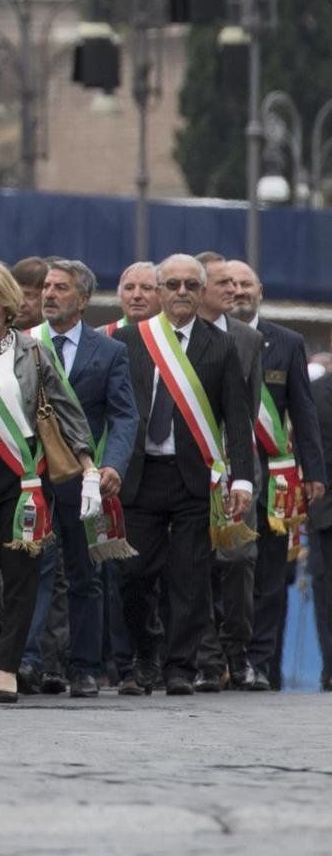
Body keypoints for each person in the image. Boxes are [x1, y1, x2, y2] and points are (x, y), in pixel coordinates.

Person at [115, 255, 258, 698]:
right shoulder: (129, 340)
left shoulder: (222, 345)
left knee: (190, 576)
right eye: (172, 284)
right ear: (158, 291)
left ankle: (180, 666)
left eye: (190, 285)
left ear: (201, 292)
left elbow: (237, 417)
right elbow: (116, 411)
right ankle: (145, 655)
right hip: (141, 474)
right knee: (132, 574)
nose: (181, 292)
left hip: (196, 478)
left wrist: (242, 480)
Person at [0, 259, 89, 703]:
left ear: (9, 307)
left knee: (22, 573)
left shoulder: (32, 351)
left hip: (25, 475)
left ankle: (7, 665)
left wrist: (88, 464)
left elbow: (66, 409)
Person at [28, 258, 137, 697]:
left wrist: (113, 464)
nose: (49, 293)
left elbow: (124, 414)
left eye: (61, 287)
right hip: (31, 476)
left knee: (85, 573)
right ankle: (33, 660)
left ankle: (85, 665)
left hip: (84, 479)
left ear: (84, 299)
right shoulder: (23, 344)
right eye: (47, 286)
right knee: (34, 567)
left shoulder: (109, 351)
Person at [215, 257, 322, 691]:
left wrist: (313, 471)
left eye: (247, 284)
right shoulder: (207, 338)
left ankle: (258, 661)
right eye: (231, 284)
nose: (239, 291)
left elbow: (303, 409)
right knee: (223, 571)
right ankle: (222, 658)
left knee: (271, 576)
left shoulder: (288, 341)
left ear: (260, 292)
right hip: (220, 474)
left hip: (275, 479)